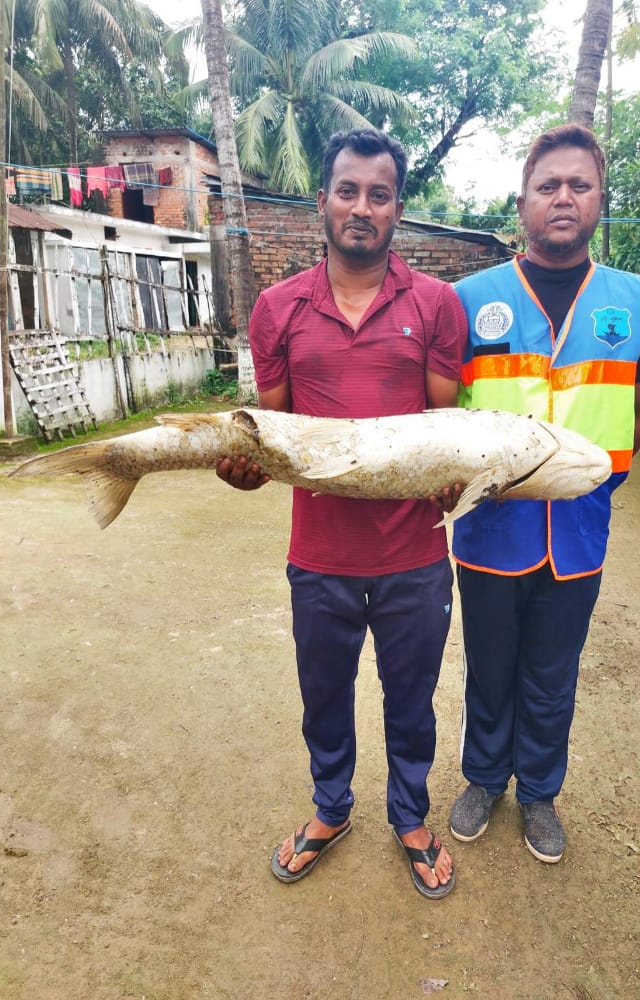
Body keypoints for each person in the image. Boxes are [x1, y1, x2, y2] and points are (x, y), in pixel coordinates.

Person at [216, 127, 467, 898]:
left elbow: (441, 435)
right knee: (323, 695)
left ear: (398, 209)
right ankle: (331, 808)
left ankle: (410, 815)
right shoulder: (276, 308)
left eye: (379, 195)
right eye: (349, 191)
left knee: (412, 700)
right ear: (322, 201)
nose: (363, 208)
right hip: (319, 555)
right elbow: (278, 438)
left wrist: (456, 480)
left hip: (414, 558)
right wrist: (248, 471)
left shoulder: (436, 306)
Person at [448, 124, 640, 863]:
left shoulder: (636, 302)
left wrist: (591, 477)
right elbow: (445, 411)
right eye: (548, 185)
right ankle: (485, 779)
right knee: (489, 666)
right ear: (523, 205)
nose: (564, 196)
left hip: (578, 530)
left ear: (600, 199)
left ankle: (539, 792)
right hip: (490, 527)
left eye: (580, 184)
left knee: (552, 673)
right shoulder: (469, 299)